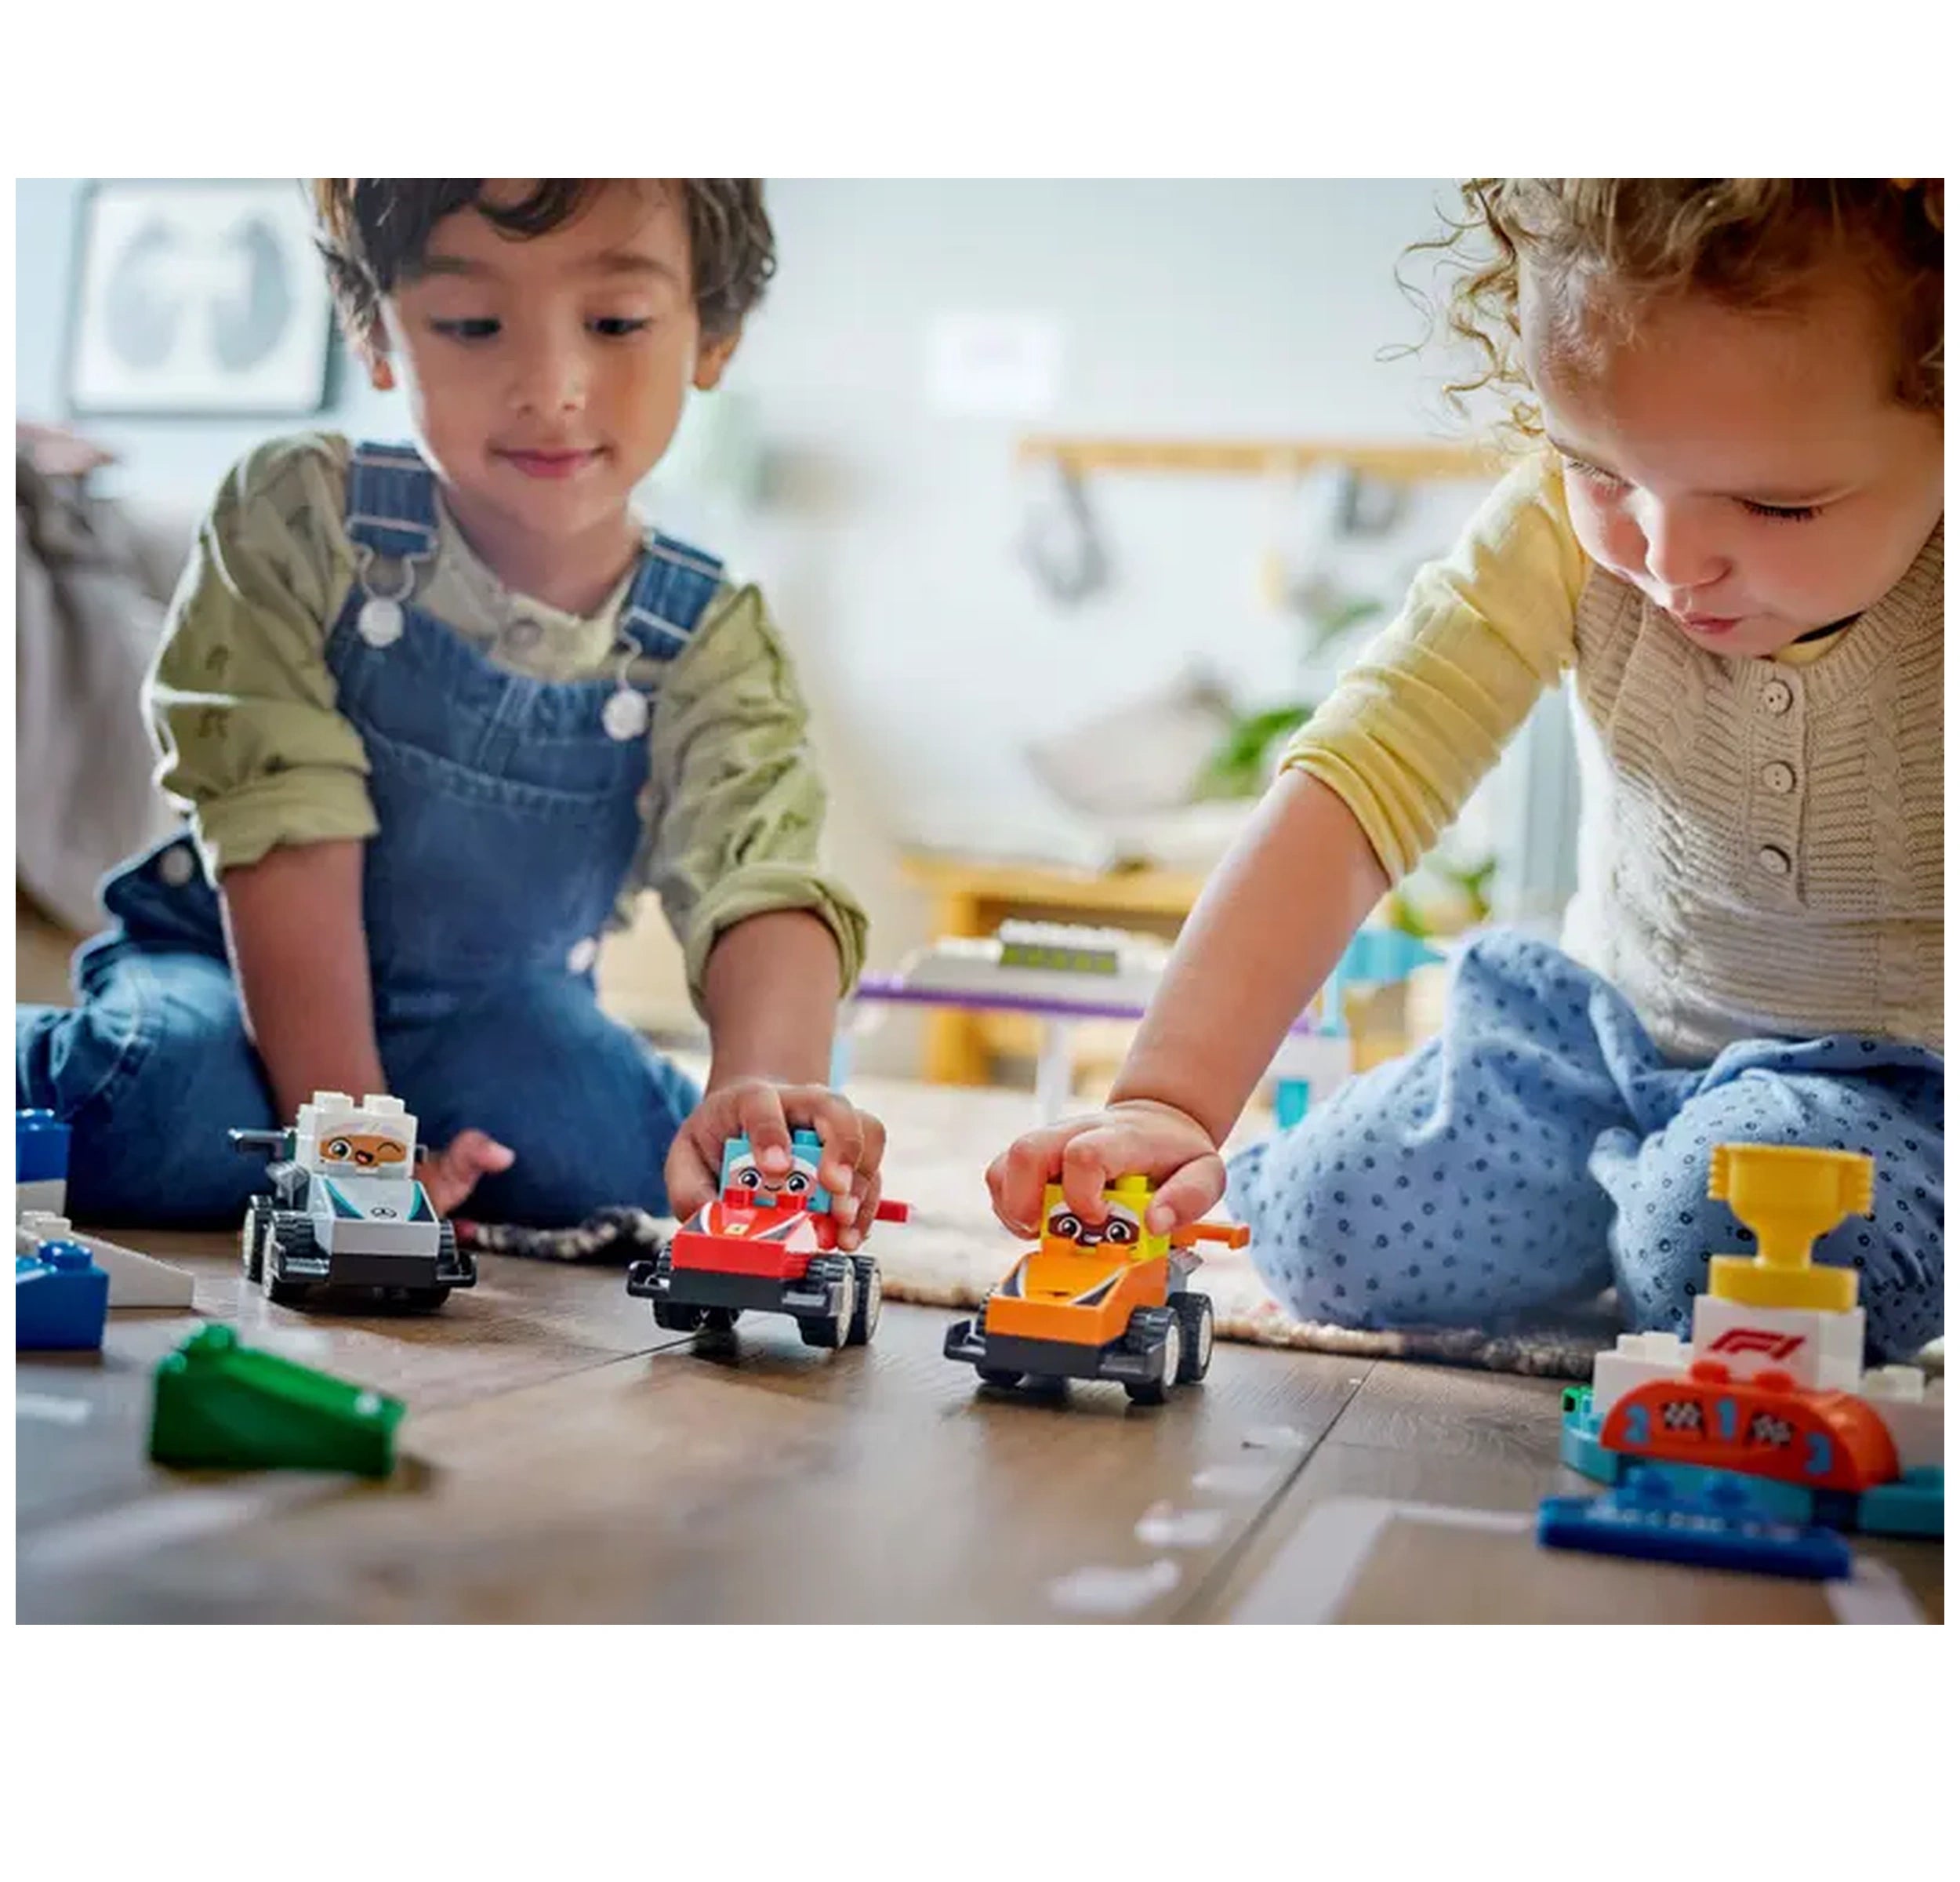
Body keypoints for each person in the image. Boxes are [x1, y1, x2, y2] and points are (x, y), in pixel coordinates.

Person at [987, 180, 1943, 1359]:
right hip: (1600, 1050)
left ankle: (1655, 1230)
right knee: (1310, 1227)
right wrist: (1166, 1102)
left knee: (1735, 1246)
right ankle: (1632, 1216)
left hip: (1893, 1100)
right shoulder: (1552, 528)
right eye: (1603, 470)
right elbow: (1359, 778)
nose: (1671, 556)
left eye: (1776, 505)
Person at [19, 179, 887, 1238]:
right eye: (473, 325)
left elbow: (758, 869)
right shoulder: (298, 517)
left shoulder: (710, 634)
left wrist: (769, 1094)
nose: (552, 385)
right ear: (376, 333)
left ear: (715, 333)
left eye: (615, 323)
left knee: (623, 1160)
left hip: (489, 1012)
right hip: (229, 968)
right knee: (159, 1108)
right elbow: (284, 823)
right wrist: (357, 1159)